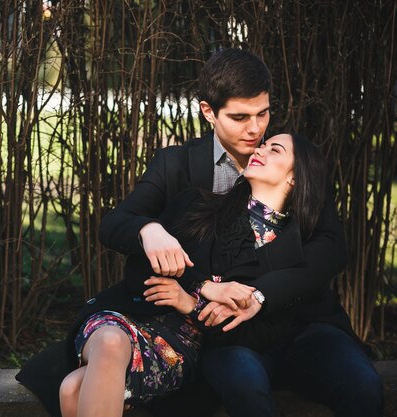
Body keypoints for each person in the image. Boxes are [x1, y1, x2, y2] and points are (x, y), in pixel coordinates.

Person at [96, 48, 383, 417]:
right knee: (242, 383)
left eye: (263, 113)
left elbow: (331, 247)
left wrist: (261, 297)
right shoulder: (177, 167)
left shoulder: (293, 160)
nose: (255, 129)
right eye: (240, 117)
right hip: (223, 332)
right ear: (208, 112)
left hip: (301, 320)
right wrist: (149, 229)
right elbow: (116, 223)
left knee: (363, 385)